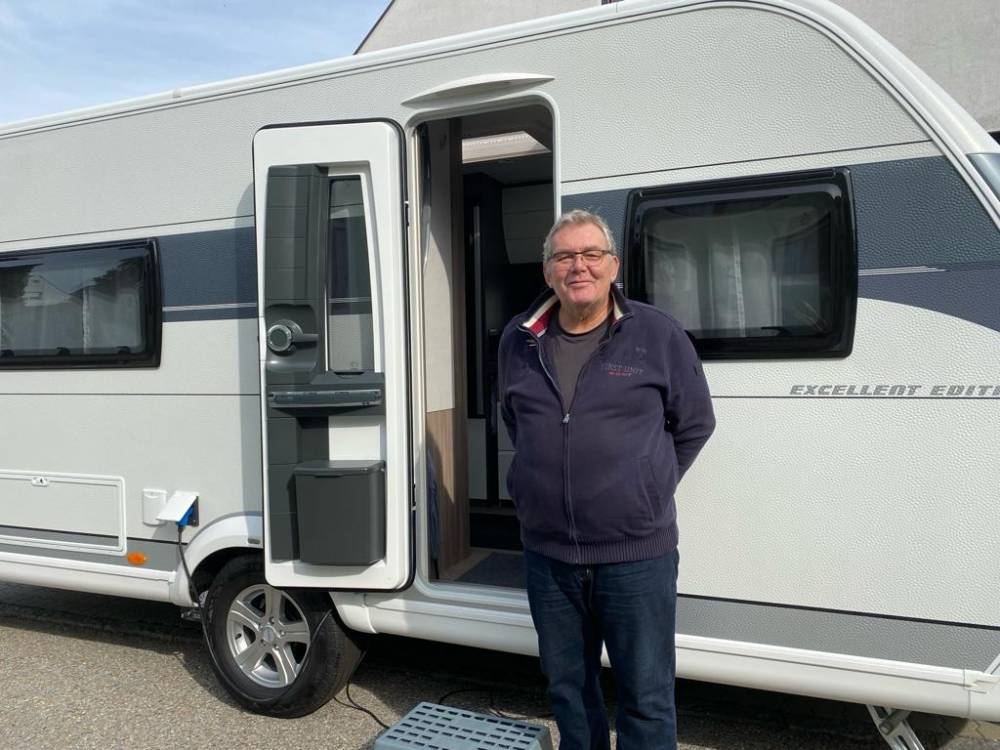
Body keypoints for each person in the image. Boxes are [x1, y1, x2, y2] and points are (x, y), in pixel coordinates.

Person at [499, 209, 715, 750]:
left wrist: (648, 484)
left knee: (646, 697)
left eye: (591, 254)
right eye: (565, 256)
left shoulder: (657, 334)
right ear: (548, 272)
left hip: (635, 557)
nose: (579, 266)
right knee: (569, 691)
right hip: (549, 556)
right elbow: (515, 420)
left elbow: (695, 423)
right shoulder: (518, 340)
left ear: (613, 265)